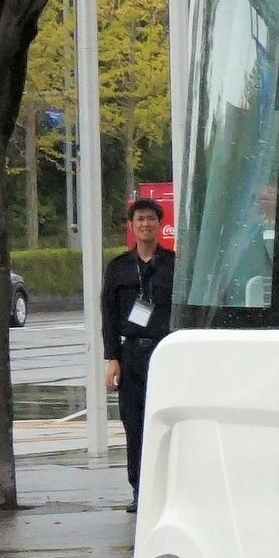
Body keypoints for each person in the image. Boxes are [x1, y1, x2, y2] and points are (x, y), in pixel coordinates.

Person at [102, 195, 177, 501]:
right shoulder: (119, 267)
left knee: (168, 424)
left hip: (166, 354)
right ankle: (139, 490)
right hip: (132, 353)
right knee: (134, 424)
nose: (146, 224)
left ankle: (168, 489)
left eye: (151, 219)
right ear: (131, 226)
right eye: (140, 219)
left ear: (160, 225)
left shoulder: (174, 265)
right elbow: (107, 313)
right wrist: (112, 358)